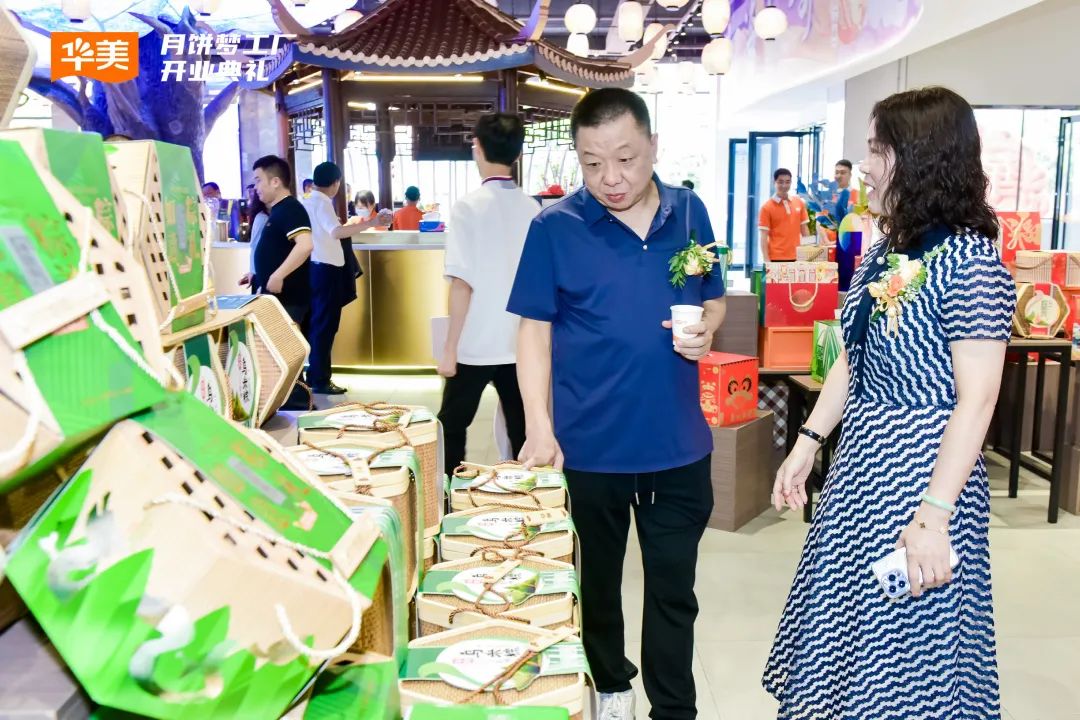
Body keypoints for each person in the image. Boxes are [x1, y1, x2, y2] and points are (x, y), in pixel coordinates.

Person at [764, 87, 1014, 719]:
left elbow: (978, 399)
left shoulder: (970, 263)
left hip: (922, 483)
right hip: (860, 475)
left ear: (921, 157)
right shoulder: (886, 250)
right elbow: (853, 357)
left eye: (878, 150)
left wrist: (933, 518)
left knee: (906, 658)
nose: (866, 166)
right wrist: (808, 442)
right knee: (847, 643)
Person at [508, 87, 726, 720]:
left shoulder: (690, 212)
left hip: (677, 445)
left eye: (626, 159)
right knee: (597, 585)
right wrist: (540, 427)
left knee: (674, 592)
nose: (611, 178)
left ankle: (673, 709)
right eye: (592, 162)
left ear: (653, 146)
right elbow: (533, 332)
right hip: (590, 448)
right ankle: (610, 686)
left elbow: (713, 299)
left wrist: (707, 329)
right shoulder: (554, 227)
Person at [437, 112, 538, 474]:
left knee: (451, 424)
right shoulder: (533, 208)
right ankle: (527, 494)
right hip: (520, 343)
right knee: (522, 429)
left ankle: (449, 494)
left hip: (475, 343)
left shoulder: (468, 207)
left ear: (476, 148)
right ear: (518, 154)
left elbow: (462, 284)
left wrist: (449, 348)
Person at [302, 162, 393, 394]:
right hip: (327, 270)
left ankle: (315, 376)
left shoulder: (307, 201)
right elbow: (336, 232)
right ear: (335, 183)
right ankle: (320, 380)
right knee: (325, 327)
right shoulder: (322, 202)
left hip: (314, 269)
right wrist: (371, 223)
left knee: (318, 325)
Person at [758, 168, 810, 262]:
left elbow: (804, 229)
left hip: (798, 257)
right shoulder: (766, 207)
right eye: (780, 182)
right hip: (775, 258)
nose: (784, 185)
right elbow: (763, 236)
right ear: (774, 182)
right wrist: (766, 259)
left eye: (787, 182)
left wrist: (808, 254)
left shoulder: (799, 203)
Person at [238, 189, 269, 288]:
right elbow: (255, 245)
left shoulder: (273, 215)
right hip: (262, 273)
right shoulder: (262, 217)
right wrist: (253, 271)